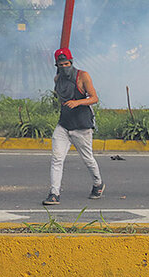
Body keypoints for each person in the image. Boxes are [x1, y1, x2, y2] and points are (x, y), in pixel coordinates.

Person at [43, 48, 104, 206]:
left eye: (67, 63)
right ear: (56, 65)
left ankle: (98, 184)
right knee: (57, 159)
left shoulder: (82, 76)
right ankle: (54, 193)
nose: (64, 66)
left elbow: (94, 98)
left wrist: (77, 102)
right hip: (63, 124)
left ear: (71, 62)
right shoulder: (58, 79)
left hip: (81, 125)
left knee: (87, 158)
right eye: (61, 64)